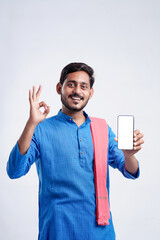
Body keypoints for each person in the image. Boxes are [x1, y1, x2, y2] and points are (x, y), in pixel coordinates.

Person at [7, 62, 144, 240]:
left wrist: (128, 155)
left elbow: (130, 171)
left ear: (91, 93)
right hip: (57, 230)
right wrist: (32, 123)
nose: (77, 91)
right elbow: (14, 171)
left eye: (83, 86)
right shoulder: (41, 129)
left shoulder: (102, 129)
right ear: (59, 88)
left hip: (100, 232)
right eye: (71, 84)